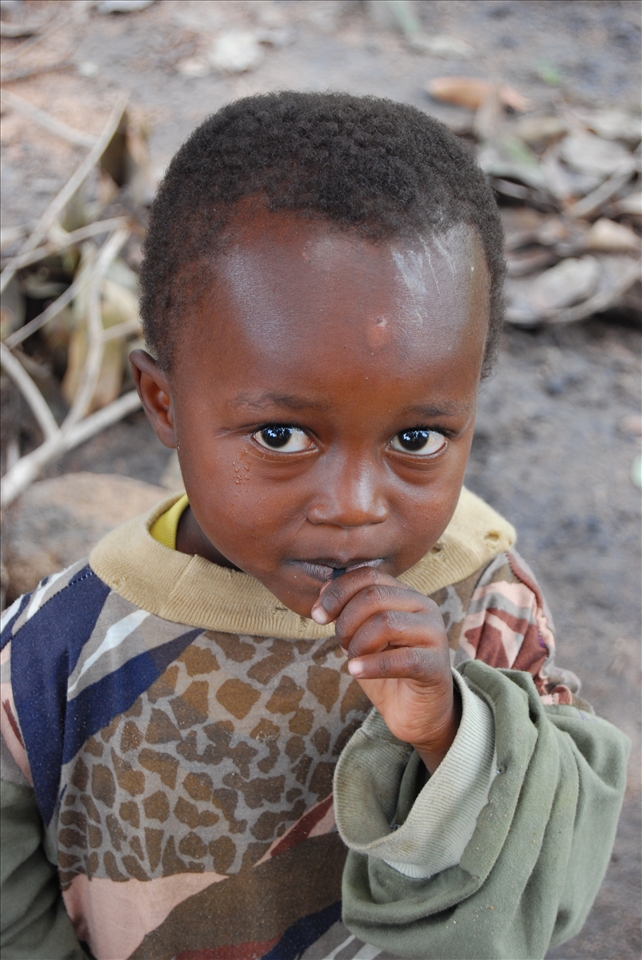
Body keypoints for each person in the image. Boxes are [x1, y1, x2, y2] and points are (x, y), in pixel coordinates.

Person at [0, 92, 629, 960]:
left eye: (417, 438)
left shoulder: (485, 609)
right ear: (164, 402)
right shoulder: (60, 650)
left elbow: (548, 888)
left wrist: (452, 731)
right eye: (281, 436)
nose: (355, 504)